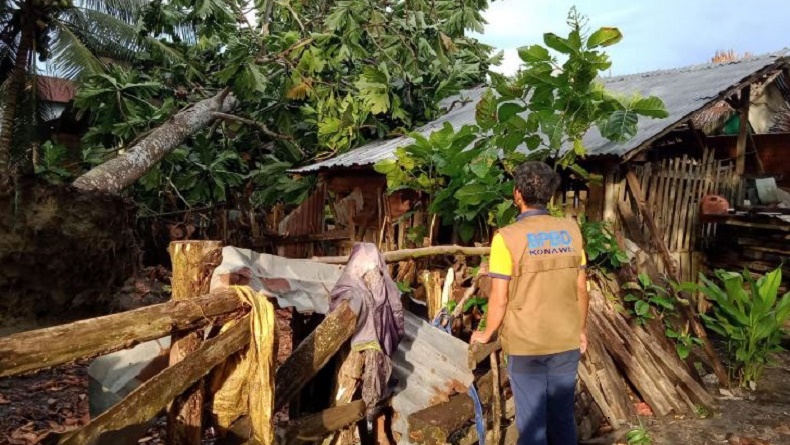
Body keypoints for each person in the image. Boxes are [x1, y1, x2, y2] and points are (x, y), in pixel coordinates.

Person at [471, 161, 589, 445]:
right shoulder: (572, 232)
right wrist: (581, 330)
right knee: (563, 419)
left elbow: (500, 298)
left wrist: (486, 333)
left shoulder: (506, 238)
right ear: (550, 194)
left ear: (517, 194)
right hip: (565, 339)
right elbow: (581, 289)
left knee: (533, 424)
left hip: (526, 344)